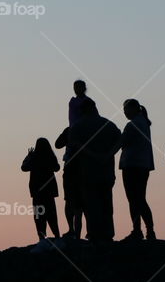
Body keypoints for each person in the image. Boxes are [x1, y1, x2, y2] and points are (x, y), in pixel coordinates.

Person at [69, 98, 122, 242]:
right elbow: (120, 140)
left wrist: (92, 155)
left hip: (88, 172)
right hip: (107, 172)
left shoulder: (78, 126)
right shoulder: (108, 124)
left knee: (91, 205)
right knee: (106, 204)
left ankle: (94, 234)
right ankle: (108, 234)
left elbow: (74, 145)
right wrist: (108, 154)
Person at [119, 99, 156, 241]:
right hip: (143, 166)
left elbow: (121, 142)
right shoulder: (144, 123)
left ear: (133, 109)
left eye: (126, 109)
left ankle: (139, 230)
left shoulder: (133, 125)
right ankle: (148, 230)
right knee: (139, 198)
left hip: (132, 165)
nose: (124, 112)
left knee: (135, 199)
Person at [21, 137, 61, 240]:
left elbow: (24, 167)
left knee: (39, 217)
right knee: (52, 215)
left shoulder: (34, 157)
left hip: (37, 192)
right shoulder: (50, 157)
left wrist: (28, 156)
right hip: (49, 191)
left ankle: (42, 238)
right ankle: (57, 236)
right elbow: (57, 168)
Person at [55, 126, 83, 238]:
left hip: (72, 169)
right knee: (79, 204)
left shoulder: (71, 129)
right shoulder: (84, 129)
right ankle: (76, 232)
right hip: (83, 168)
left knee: (71, 201)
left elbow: (58, 144)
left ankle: (73, 230)